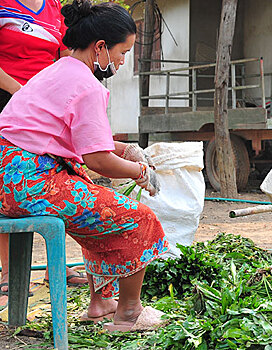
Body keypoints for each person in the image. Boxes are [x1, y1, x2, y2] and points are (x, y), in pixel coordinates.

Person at [0, 0, 168, 331]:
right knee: (138, 219)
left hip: (7, 180)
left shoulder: (55, 72)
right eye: (123, 52)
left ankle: (101, 302)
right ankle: (129, 312)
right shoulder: (87, 86)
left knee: (97, 208)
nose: (122, 60)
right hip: (32, 184)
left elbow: (84, 140)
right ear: (101, 47)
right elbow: (98, 160)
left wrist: (128, 149)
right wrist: (141, 172)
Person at [0, 0, 88, 295]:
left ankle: (56, 266)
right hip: (6, 99)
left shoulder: (54, 8)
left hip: (44, 105)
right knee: (6, 183)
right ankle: (10, 272)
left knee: (57, 175)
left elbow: (67, 59)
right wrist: (20, 92)